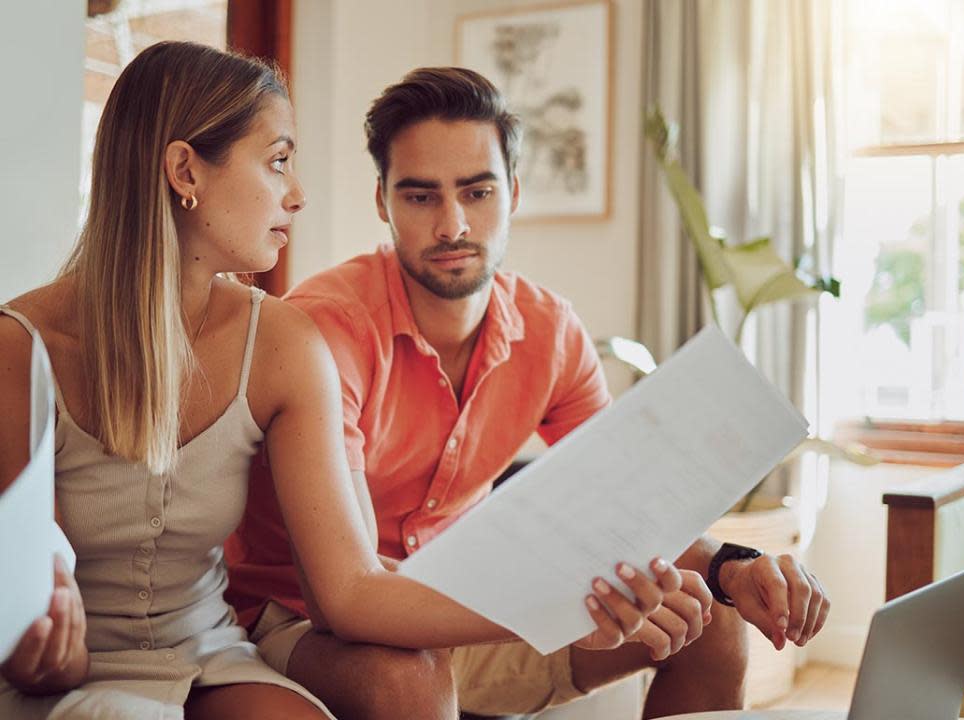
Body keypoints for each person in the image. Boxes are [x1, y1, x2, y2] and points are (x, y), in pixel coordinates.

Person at [0, 44, 683, 720]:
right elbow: (30, 606)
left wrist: (578, 600)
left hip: (207, 650)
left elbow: (350, 590)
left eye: (478, 190)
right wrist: (39, 654)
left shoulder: (281, 342)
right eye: (277, 163)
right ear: (186, 171)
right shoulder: (20, 347)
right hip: (88, 664)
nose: (296, 195)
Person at [225, 67, 831, 720]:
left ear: (512, 192)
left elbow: (626, 505)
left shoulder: (550, 332)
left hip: (461, 605)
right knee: (407, 677)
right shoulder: (326, 330)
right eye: (421, 196)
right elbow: (346, 599)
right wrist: (549, 608)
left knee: (710, 620)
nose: (453, 224)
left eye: (477, 191)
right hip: (302, 618)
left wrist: (735, 569)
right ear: (384, 201)